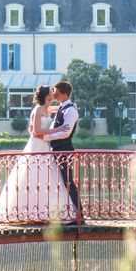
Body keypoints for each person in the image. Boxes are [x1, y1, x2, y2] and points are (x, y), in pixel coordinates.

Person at [0, 85, 72, 223]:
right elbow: (36, 131)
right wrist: (57, 129)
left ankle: (50, 212)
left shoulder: (48, 109)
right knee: (33, 177)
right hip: (37, 145)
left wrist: (73, 107)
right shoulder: (38, 110)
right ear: (46, 95)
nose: (54, 93)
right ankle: (28, 212)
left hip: (46, 147)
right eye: (51, 91)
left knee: (48, 179)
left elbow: (63, 107)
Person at [40, 81, 82, 224]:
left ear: (64, 93)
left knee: (68, 182)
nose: (54, 94)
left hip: (64, 150)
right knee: (61, 182)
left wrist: (45, 137)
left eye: (56, 92)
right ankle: (66, 211)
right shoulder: (62, 108)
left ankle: (79, 213)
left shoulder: (70, 110)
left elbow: (66, 132)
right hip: (57, 150)